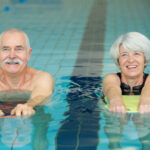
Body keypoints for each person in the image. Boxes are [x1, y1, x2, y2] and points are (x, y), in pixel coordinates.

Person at [0, 28, 54, 117]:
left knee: (41, 117)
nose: (12, 55)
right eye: (6, 49)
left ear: (28, 54)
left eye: (19, 49)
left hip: (33, 110)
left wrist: (29, 105)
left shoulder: (41, 78)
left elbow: (41, 96)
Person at [103, 32, 150, 114]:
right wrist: (115, 101)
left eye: (136, 54)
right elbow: (111, 88)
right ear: (118, 62)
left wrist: (146, 100)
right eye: (124, 55)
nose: (131, 60)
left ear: (145, 61)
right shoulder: (111, 78)